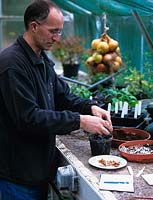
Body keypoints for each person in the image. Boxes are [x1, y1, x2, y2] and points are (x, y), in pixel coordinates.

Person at [0, 0, 113, 199]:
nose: (58, 38)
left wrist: (90, 107)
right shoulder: (13, 65)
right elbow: (29, 118)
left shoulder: (41, 60)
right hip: (18, 177)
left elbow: (63, 97)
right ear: (34, 26)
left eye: (60, 31)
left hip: (38, 170)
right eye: (53, 31)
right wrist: (80, 121)